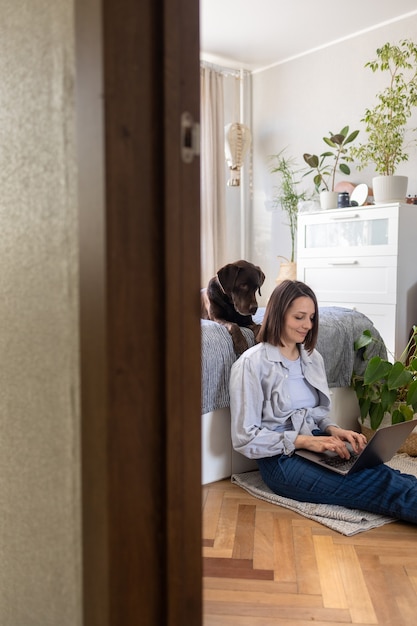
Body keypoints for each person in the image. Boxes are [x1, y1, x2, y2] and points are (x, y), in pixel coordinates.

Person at [229, 279, 417, 524]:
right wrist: (306, 441)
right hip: (281, 460)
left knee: (385, 473)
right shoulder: (251, 364)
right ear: (278, 314)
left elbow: (315, 413)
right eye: (299, 317)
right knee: (383, 485)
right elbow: (245, 438)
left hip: (315, 441)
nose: (308, 325)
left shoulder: (311, 357)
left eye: (311, 317)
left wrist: (335, 430)